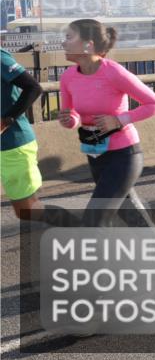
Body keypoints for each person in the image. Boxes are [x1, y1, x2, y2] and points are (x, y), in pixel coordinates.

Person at [57, 19, 155, 300]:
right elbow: (72, 117)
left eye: (69, 36)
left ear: (88, 44)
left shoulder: (113, 72)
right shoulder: (68, 77)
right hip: (97, 156)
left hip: (125, 156)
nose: (63, 42)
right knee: (136, 221)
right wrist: (71, 119)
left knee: (94, 222)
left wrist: (120, 120)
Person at [2, 49, 78, 228]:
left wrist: (6, 121)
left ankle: (83, 229)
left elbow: (34, 88)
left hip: (12, 145)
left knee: (26, 210)